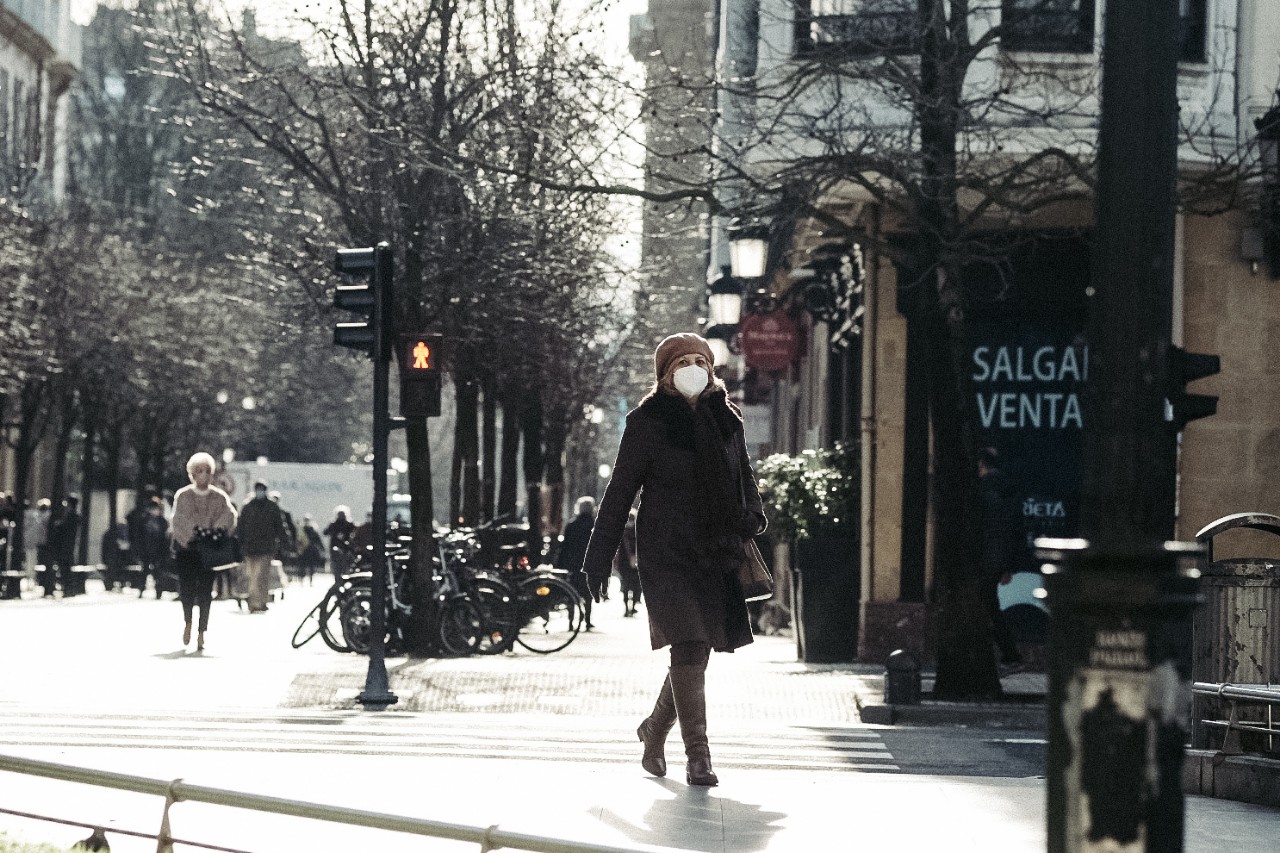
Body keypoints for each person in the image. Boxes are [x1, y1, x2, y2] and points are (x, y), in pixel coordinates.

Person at [581, 333, 767, 787]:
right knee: (687, 643)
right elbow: (620, 490)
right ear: (665, 374)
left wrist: (753, 515)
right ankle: (698, 756)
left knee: (697, 649)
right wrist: (598, 558)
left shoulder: (727, 418)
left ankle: (653, 729)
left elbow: (742, 473)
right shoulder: (647, 421)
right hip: (665, 551)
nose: (693, 369)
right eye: (682, 362)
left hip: (715, 550)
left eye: (700, 361)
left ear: (711, 369)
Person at [170, 452, 237, 651]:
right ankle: (188, 622)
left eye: (207, 471)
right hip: (188, 550)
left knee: (206, 592)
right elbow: (178, 520)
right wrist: (193, 534)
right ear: (192, 474)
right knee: (187, 589)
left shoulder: (219, 496)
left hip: (209, 551)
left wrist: (215, 531)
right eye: (199, 471)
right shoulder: (183, 495)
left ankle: (202, 631)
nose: (204, 475)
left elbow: (229, 515)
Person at [978, 447, 1026, 672]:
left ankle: (1010, 655)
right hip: (1000, 557)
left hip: (987, 556)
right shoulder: (1008, 488)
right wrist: (1010, 566)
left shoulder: (985, 489)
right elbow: (1015, 528)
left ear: (981, 464)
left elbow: (989, 527)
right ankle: (1009, 655)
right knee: (989, 604)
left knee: (986, 605)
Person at [236, 480, 288, 613]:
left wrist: (284, 542)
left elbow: (279, 526)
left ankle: (261, 601)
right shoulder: (248, 506)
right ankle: (254, 602)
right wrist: (240, 544)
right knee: (252, 576)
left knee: (262, 575)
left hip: (266, 547)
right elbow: (241, 527)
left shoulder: (272, 507)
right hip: (250, 547)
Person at [556, 496, 598, 631]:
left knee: (571, 593)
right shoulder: (595, 525)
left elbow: (564, 546)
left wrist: (560, 564)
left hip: (573, 563)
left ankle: (570, 622)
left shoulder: (572, 524)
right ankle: (587, 621)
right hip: (589, 564)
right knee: (588, 593)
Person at [45, 496, 81, 597]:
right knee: (66, 569)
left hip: (65, 547)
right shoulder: (74, 516)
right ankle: (69, 588)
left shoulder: (70, 516)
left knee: (65, 569)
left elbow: (64, 529)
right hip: (68, 547)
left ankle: (68, 589)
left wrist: (58, 525)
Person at [136, 497, 170, 598]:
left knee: (158, 572)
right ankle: (141, 589)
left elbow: (165, 538)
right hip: (146, 550)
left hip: (158, 550)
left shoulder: (162, 522)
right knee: (144, 570)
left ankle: (158, 591)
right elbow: (139, 536)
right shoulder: (144, 521)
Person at [615, 508, 642, 617]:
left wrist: (615, 563)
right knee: (636, 585)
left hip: (624, 562)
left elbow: (617, 550)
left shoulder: (621, 531)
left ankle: (626, 609)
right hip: (637, 562)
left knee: (626, 585)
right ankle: (633, 606)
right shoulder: (638, 531)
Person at [23, 498, 51, 591]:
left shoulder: (36, 517)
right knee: (34, 561)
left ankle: (31, 581)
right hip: (38, 542)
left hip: (31, 542)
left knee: (29, 561)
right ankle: (34, 581)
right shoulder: (38, 517)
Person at [270, 492, 298, 576]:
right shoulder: (266, 512)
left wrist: (291, 543)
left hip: (281, 541)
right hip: (269, 540)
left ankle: (283, 577)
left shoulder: (285, 513)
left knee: (281, 561)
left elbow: (291, 529)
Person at [324, 506, 356, 576]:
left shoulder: (348, 524)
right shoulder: (333, 524)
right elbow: (325, 532)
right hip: (337, 547)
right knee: (337, 564)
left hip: (346, 547)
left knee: (346, 563)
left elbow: (355, 533)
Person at [298, 515, 325, 584]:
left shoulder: (309, 529)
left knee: (308, 565)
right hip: (305, 549)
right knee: (304, 565)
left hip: (309, 549)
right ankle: (303, 579)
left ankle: (309, 579)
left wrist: (322, 548)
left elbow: (317, 539)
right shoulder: (303, 529)